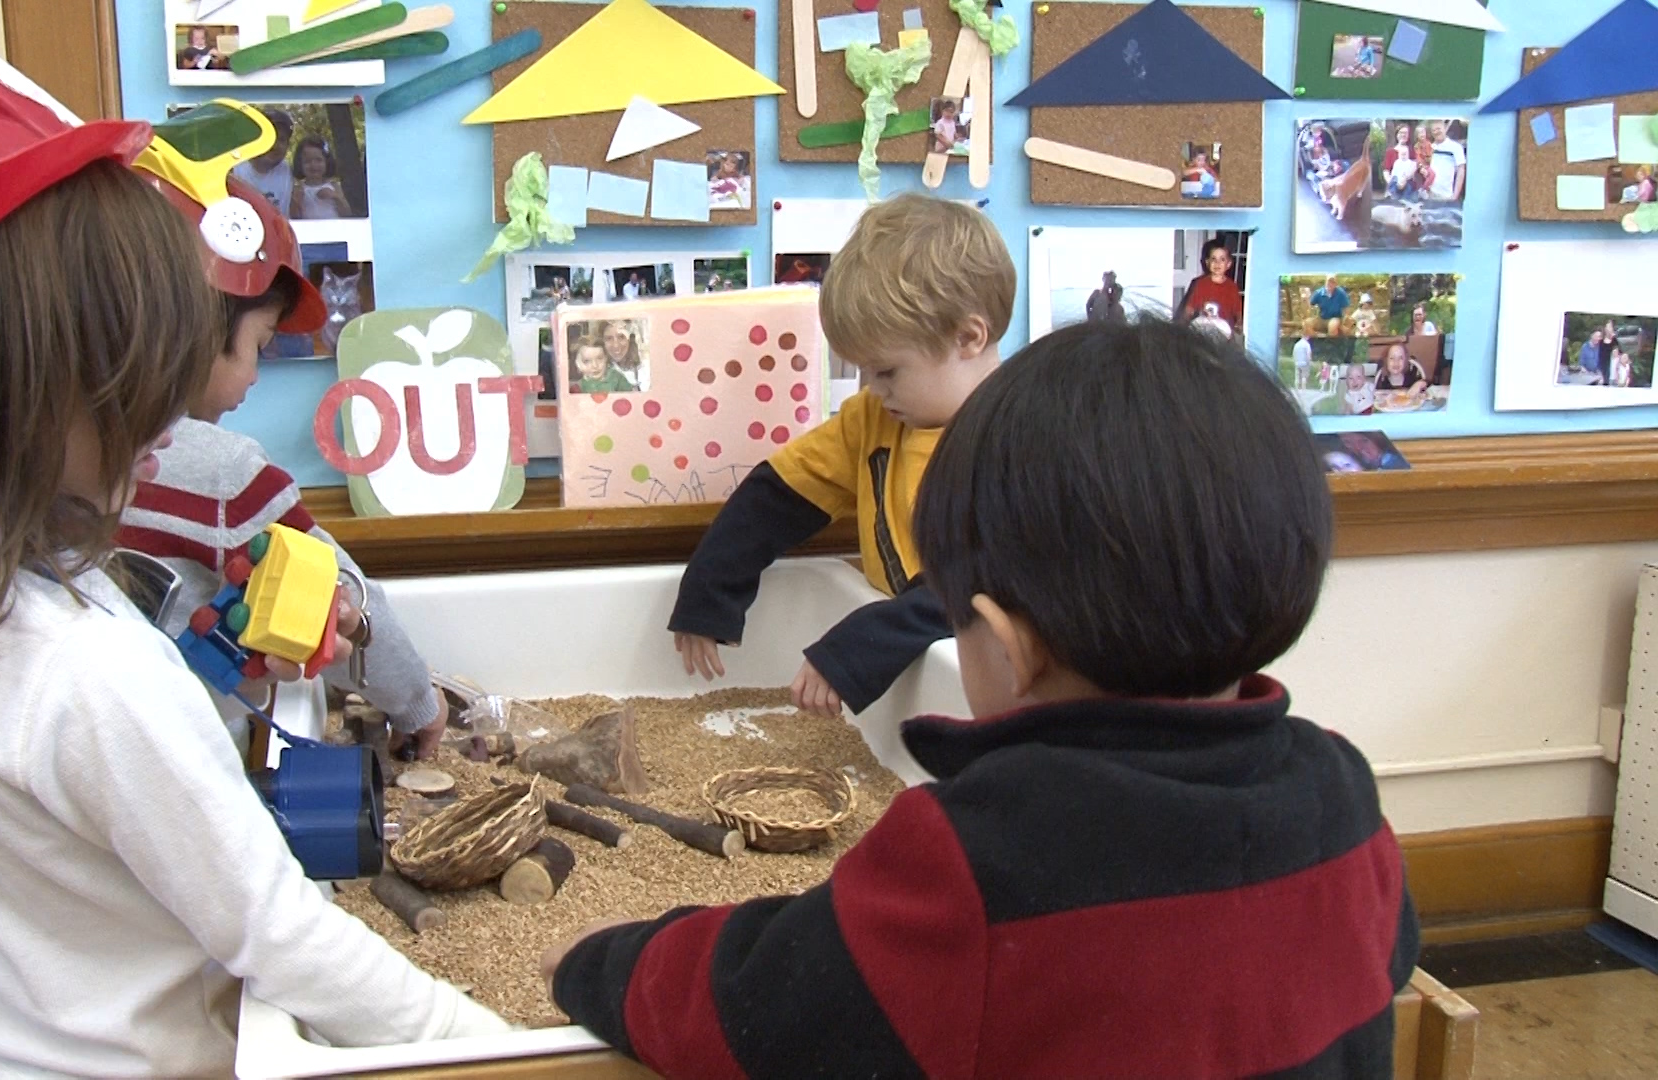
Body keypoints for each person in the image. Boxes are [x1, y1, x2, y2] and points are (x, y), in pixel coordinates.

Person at [0, 38, 505, 1079]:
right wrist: (506, 1047)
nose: (163, 420)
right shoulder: (86, 671)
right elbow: (285, 939)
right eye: (133, 379)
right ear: (28, 389)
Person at [548, 317, 1419, 1077]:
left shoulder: (980, 857)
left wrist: (595, 964)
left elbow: (756, 1004)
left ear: (1008, 649)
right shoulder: (1343, 795)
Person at [116, 163, 448, 764]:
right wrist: (417, 704)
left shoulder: (59, 464)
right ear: (193, 324)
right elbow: (341, 595)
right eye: (260, 345)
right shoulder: (227, 475)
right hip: (197, 764)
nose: (255, 375)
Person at [669, 194, 1014, 719]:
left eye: (887, 371)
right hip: (914, 669)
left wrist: (864, 644)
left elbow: (984, 579)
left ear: (967, 337)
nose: (872, 390)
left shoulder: (1024, 437)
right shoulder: (873, 419)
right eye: (861, 372)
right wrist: (710, 590)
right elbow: (779, 494)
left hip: (991, 681)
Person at [230, 107, 293, 215]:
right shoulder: (232, 171)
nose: (275, 145)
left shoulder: (290, 172)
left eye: (281, 139)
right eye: (270, 137)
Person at [1177, 239, 1243, 337]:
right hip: (1203, 328)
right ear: (1207, 263)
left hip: (1224, 331)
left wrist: (1239, 322)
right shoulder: (1201, 284)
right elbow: (1190, 308)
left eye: (1222, 259)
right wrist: (1182, 323)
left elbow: (1237, 310)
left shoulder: (1231, 287)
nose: (1217, 263)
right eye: (1213, 259)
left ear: (1228, 264)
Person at [289, 135, 352, 220]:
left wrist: (335, 197)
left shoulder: (334, 186)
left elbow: (347, 214)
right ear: (300, 164)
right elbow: (295, 217)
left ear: (327, 162)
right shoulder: (299, 189)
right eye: (307, 161)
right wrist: (296, 202)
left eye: (318, 160)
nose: (313, 165)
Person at [1426, 119, 1465, 202]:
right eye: (1434, 130)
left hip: (1446, 196)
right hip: (1429, 194)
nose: (1436, 132)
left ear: (1445, 128)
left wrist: (1455, 196)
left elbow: (1461, 170)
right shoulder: (1430, 148)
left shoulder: (1456, 147)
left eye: (1438, 129)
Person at [1383, 124, 1418, 199]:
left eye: (1406, 133)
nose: (1403, 135)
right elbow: (1386, 171)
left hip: (1408, 183)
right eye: (1401, 132)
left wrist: (1404, 180)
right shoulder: (1390, 152)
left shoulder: (1411, 150)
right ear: (1397, 134)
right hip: (1394, 183)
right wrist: (1393, 183)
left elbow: (1414, 167)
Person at [1291, 316, 1317, 390]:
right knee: (1303, 376)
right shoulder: (1306, 344)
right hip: (1304, 363)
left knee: (1297, 376)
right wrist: (1309, 362)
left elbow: (1294, 353)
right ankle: (1303, 389)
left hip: (1297, 362)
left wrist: (1295, 360)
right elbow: (1308, 354)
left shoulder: (1297, 344)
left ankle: (1296, 388)